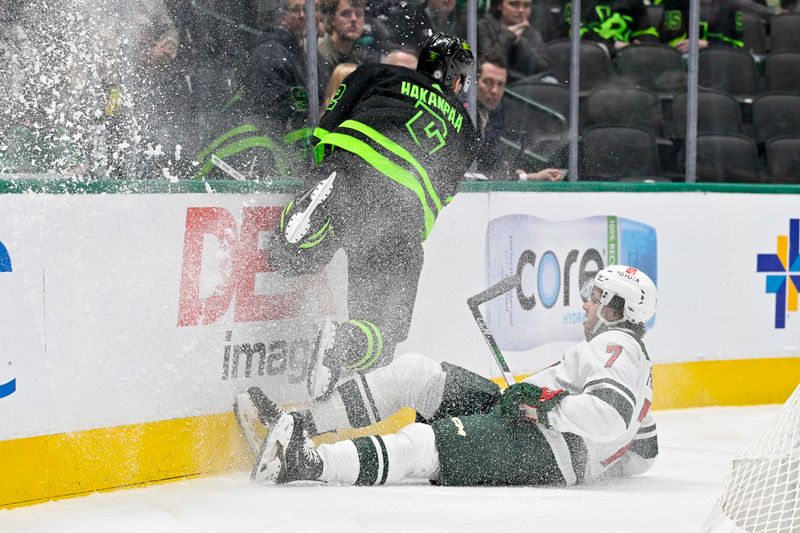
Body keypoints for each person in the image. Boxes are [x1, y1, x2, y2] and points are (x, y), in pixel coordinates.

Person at [240, 264, 658, 487]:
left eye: (598, 298)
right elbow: (643, 452)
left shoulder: (615, 346)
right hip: (535, 426)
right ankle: (298, 423)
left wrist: (546, 407)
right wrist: (601, 465)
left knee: (427, 444)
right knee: (418, 373)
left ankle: (307, 462)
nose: (588, 304)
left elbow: (610, 415)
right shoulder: (637, 365)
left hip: (549, 448)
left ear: (618, 310)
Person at [269, 32, 478, 402]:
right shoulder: (466, 130)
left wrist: (317, 167)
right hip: (404, 218)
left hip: (355, 171)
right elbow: (445, 193)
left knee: (285, 256)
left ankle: (309, 222)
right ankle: (342, 343)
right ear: (456, 79)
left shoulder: (377, 74)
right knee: (382, 335)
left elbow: (327, 123)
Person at [192, 0, 312, 180]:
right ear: (279, 13)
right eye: (296, 10)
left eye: (305, 10)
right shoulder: (270, 53)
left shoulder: (295, 53)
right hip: (268, 152)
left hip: (284, 154)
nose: (303, 15)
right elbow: (271, 114)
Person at [475, 53, 563, 181]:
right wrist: (527, 177)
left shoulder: (496, 114)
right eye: (488, 82)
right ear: (474, 82)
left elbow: (491, 169)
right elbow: (474, 173)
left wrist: (520, 174)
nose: (494, 90)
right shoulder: (462, 113)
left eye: (500, 84)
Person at [478, 0, 551, 79]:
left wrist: (520, 41)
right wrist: (508, 35)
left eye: (526, 6)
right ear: (499, 5)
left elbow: (544, 69)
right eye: (513, 4)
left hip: (526, 85)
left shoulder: (532, 33)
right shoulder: (484, 26)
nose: (521, 10)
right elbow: (487, 63)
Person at [565, 0, 659, 52]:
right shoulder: (577, 2)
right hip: (587, 56)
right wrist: (613, 45)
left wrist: (644, 42)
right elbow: (575, 32)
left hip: (624, 57)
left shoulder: (633, 2)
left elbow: (646, 30)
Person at [658, 0, 744, 51]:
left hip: (719, 60)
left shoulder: (731, 3)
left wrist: (707, 44)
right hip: (683, 60)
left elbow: (735, 44)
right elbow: (671, 38)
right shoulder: (675, 1)